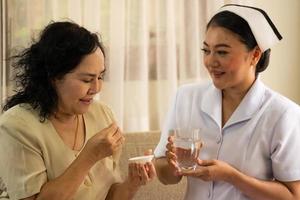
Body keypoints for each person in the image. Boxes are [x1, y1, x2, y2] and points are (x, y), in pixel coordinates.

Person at [154, 4, 300, 200]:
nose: (210, 61)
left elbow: (293, 195)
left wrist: (231, 176)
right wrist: (172, 167)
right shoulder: (186, 97)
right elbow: (164, 174)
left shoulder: (283, 114)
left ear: (255, 55)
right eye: (206, 51)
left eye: (222, 52)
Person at [0, 21, 156, 200]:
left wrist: (132, 183)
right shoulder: (16, 126)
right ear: (54, 77)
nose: (97, 88)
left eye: (100, 77)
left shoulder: (103, 114)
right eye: (86, 79)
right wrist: (90, 156)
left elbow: (108, 195)